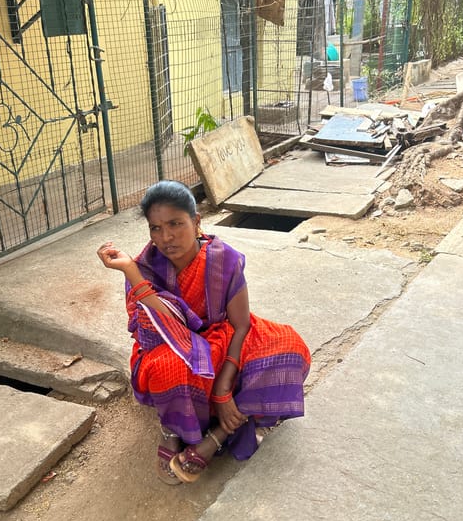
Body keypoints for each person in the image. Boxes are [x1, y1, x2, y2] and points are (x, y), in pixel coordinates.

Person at [97, 180, 311, 485]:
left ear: (196, 222)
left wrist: (223, 389)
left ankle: (219, 433)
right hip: (175, 347)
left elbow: (241, 326)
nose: (166, 236)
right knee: (169, 366)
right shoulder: (143, 267)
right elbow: (161, 333)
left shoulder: (225, 259)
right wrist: (130, 271)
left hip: (224, 339)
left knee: (290, 348)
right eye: (155, 228)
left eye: (175, 224)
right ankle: (174, 429)